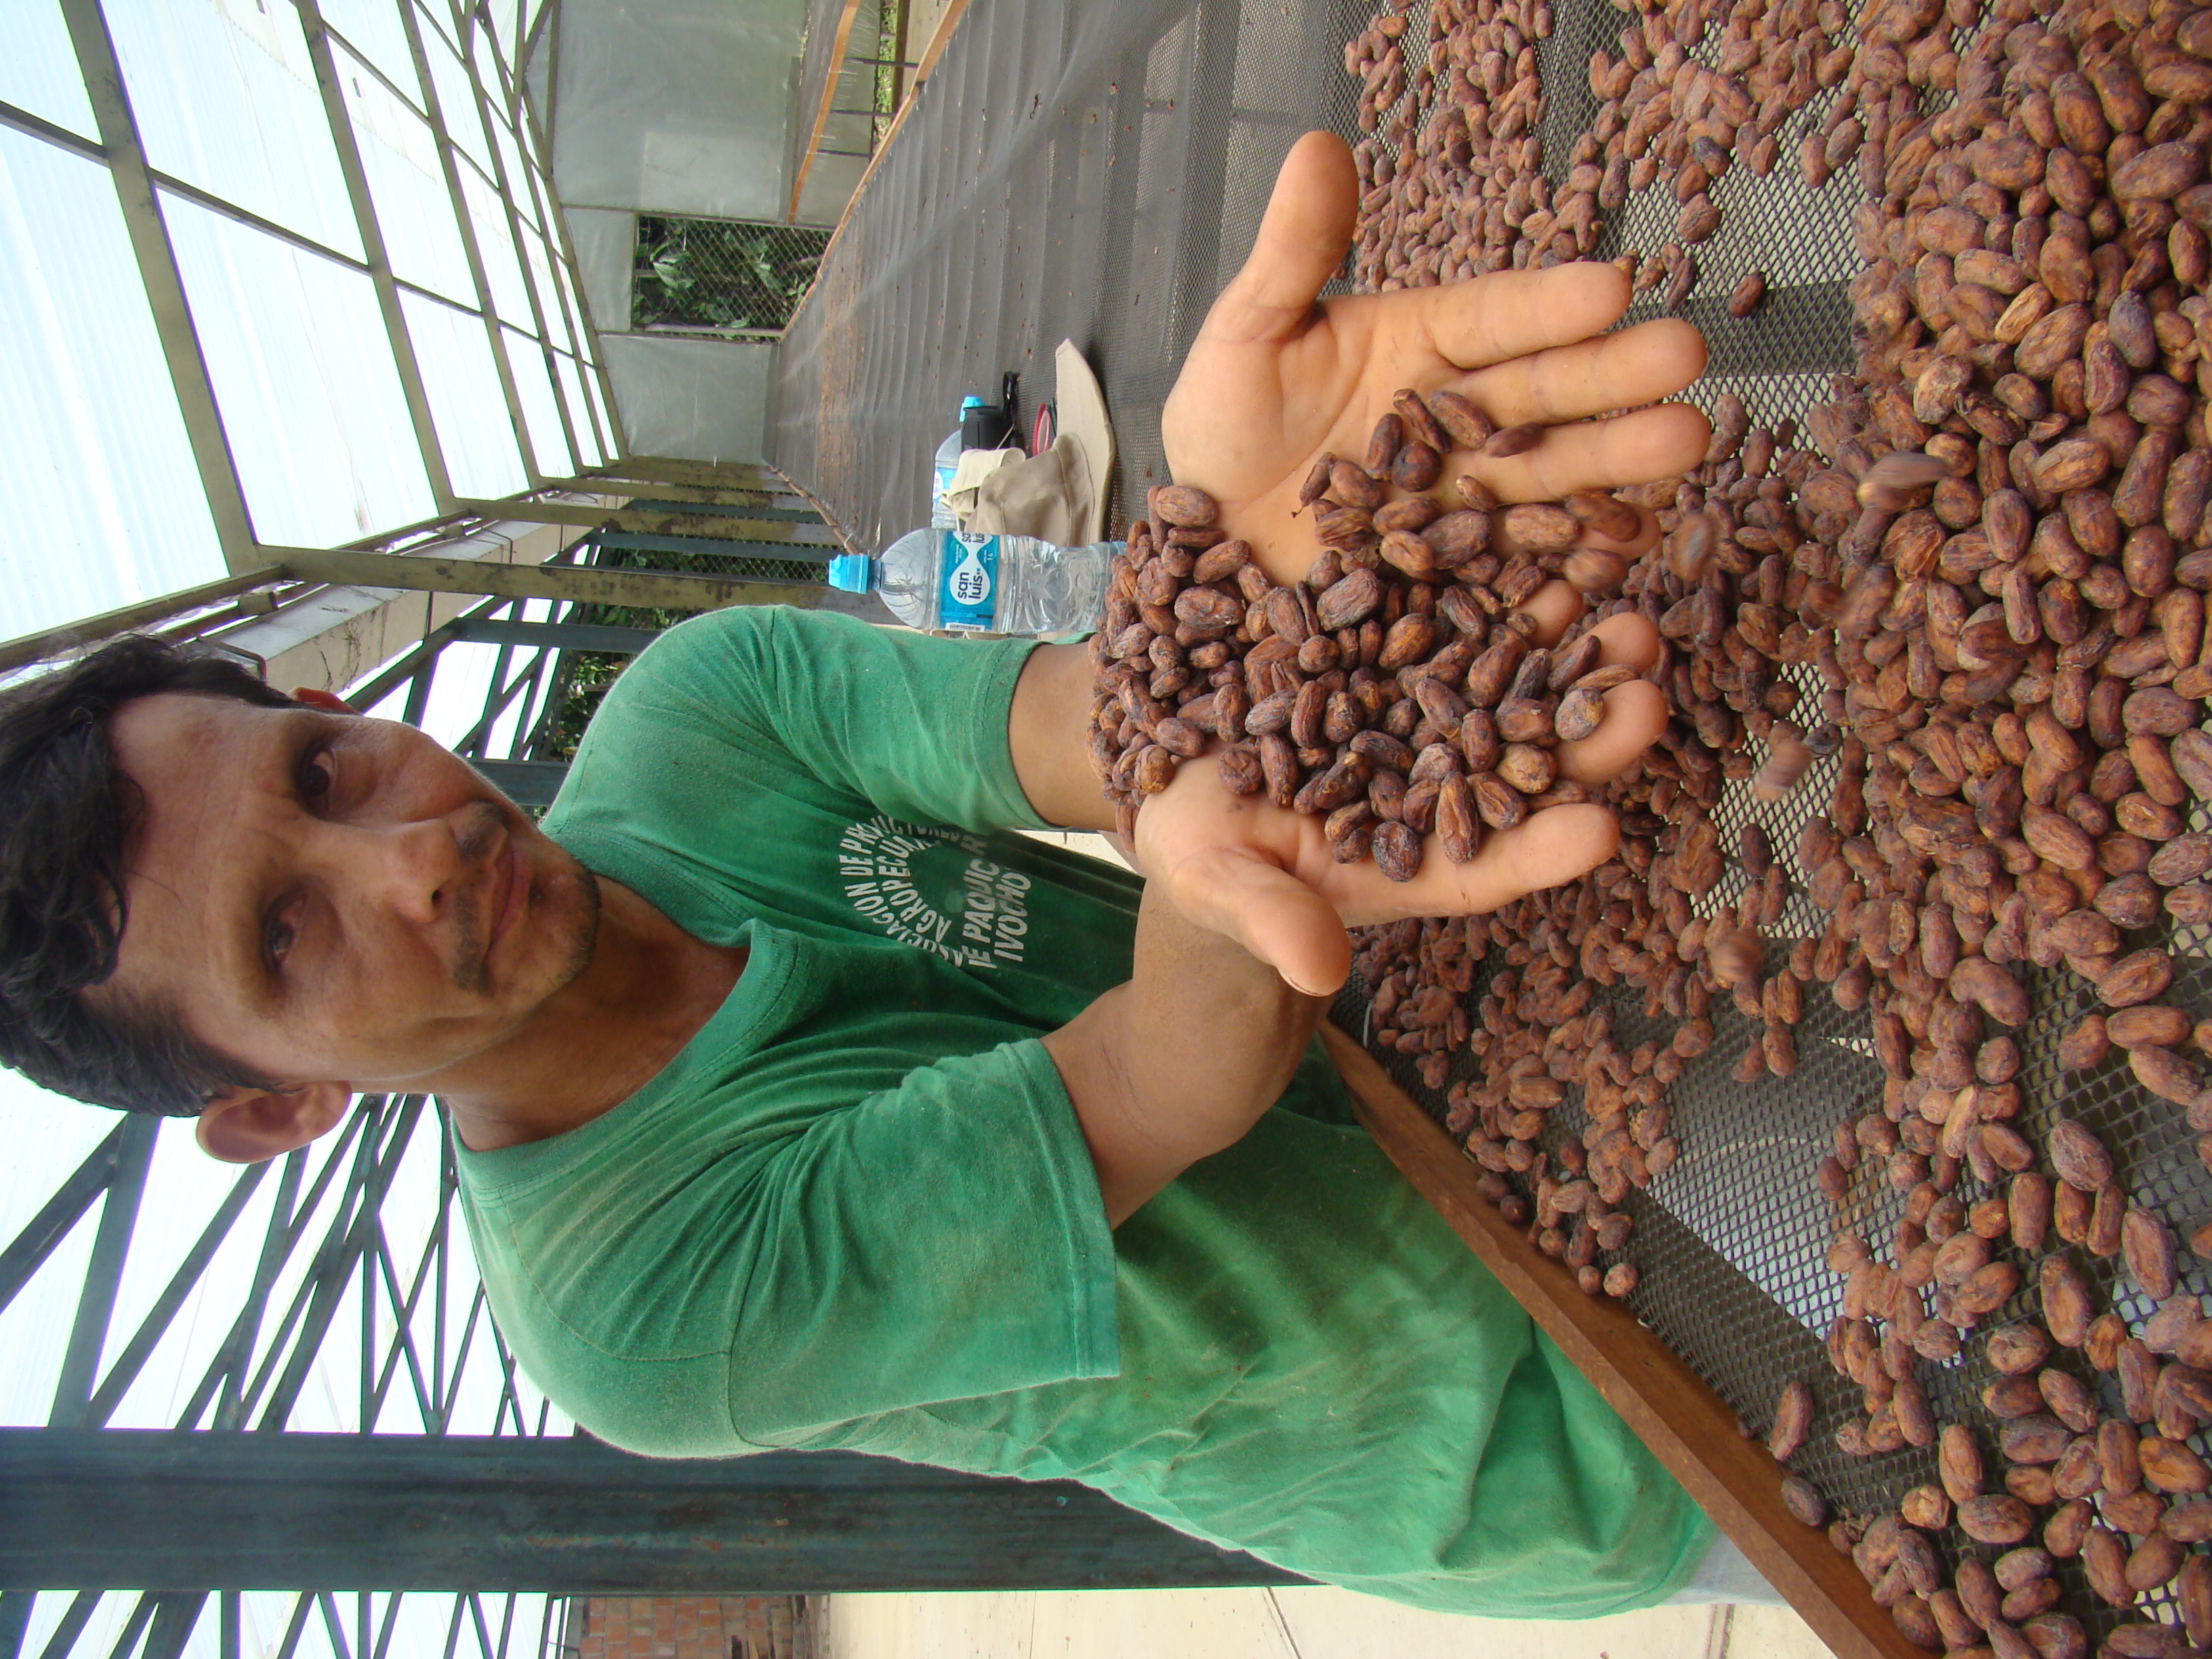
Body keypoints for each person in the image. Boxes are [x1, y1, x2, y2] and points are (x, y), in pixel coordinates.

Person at [0, 134, 1769, 1616]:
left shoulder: (700, 712)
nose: (409, 858)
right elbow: (1170, 1071)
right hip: (1525, 1432)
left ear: (329, 702)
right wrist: (1241, 805)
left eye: (327, 772)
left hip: (1500, 1090)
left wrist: (1233, 558)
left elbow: (1106, 725)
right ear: (280, 1102)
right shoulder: (638, 1309)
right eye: (288, 935)